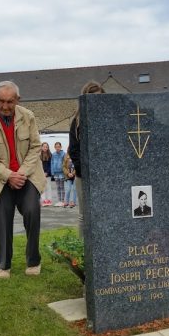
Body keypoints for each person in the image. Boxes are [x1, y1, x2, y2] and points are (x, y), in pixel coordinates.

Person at [0, 81, 45, 278]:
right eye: (1, 101)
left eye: (10, 101)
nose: (5, 106)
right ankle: (4, 266)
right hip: (1, 179)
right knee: (3, 220)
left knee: (33, 212)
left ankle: (33, 261)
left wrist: (21, 173)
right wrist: (8, 175)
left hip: (28, 176)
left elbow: (35, 147)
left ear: (18, 100)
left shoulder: (28, 116)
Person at [68, 81, 105, 238]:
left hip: (104, 175)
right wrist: (85, 171)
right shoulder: (76, 122)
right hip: (84, 174)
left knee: (104, 212)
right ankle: (83, 248)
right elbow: (74, 150)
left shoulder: (107, 119)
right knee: (84, 214)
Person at [50, 142, 66, 207]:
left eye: (58, 147)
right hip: (56, 173)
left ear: (61, 147)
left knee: (62, 187)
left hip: (62, 173)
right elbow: (52, 163)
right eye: (56, 147)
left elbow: (66, 163)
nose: (57, 148)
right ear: (55, 147)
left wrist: (65, 172)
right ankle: (59, 201)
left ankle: (63, 200)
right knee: (58, 187)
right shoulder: (53, 154)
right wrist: (52, 172)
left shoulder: (64, 154)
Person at [39, 142, 53, 206]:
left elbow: (51, 165)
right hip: (41, 174)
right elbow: (39, 165)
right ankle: (43, 200)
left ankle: (49, 200)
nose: (45, 148)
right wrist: (42, 173)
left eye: (46, 147)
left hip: (48, 174)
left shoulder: (50, 155)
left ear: (48, 148)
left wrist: (47, 172)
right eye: (44, 146)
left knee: (48, 187)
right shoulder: (39, 155)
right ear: (41, 147)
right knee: (43, 187)